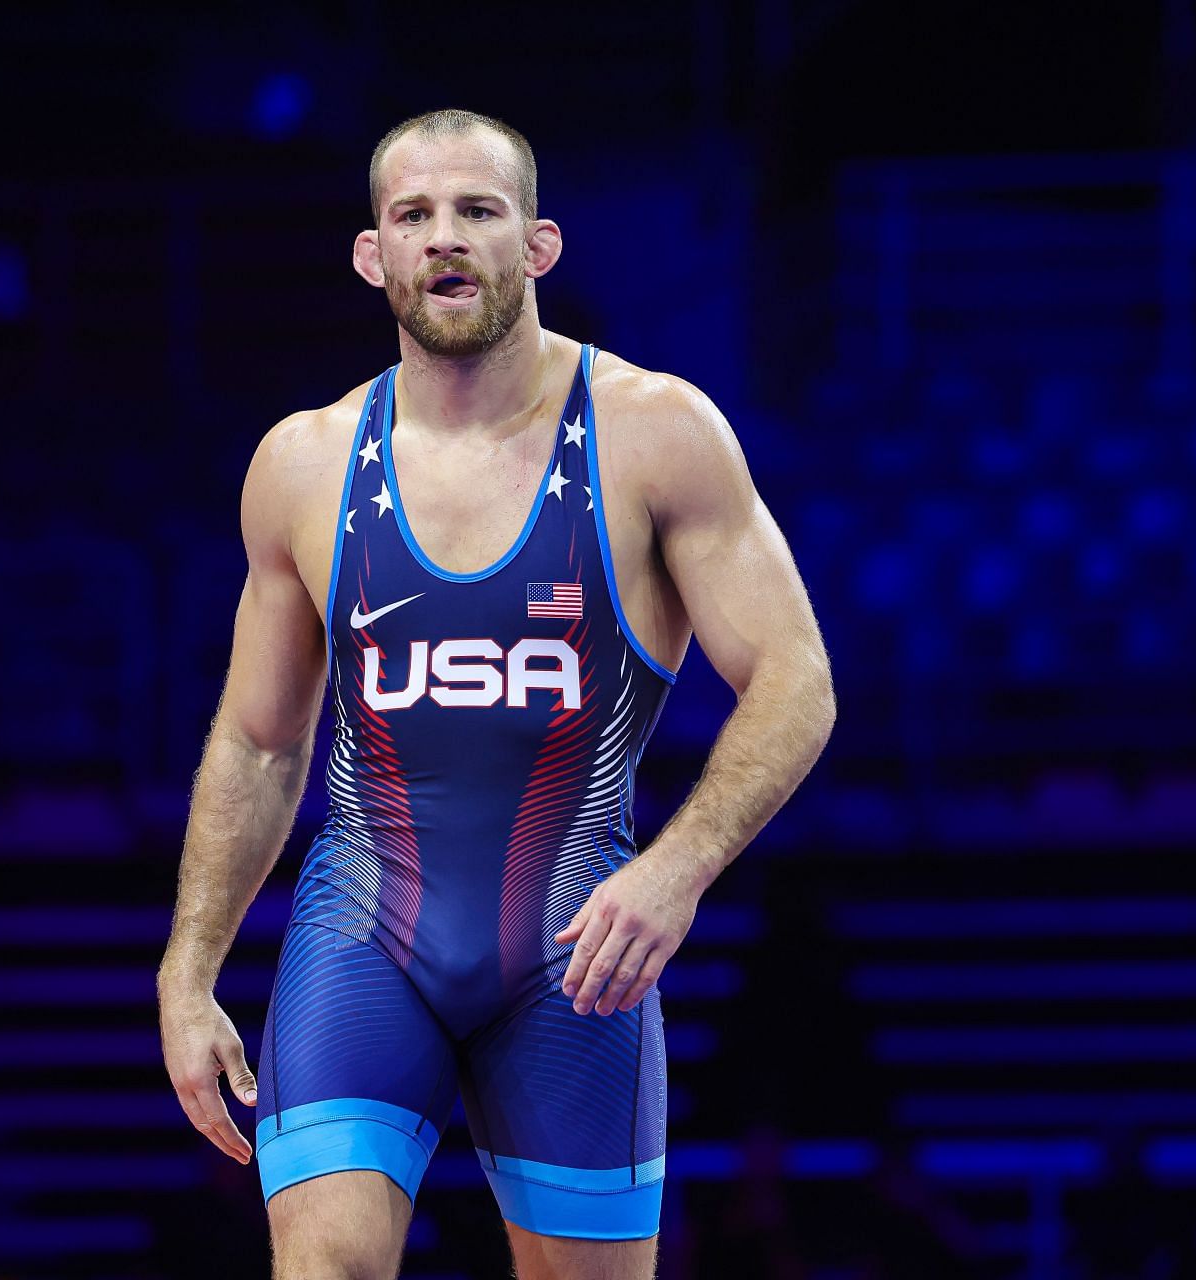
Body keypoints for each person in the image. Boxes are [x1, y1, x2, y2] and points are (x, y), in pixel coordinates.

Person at [157, 107, 835, 1280]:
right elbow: (262, 745)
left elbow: (797, 680)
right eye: (413, 214)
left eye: (478, 209)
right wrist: (188, 965)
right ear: (374, 254)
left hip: (575, 952)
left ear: (540, 243)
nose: (445, 237)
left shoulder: (654, 435)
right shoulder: (307, 464)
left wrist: (674, 871)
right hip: (365, 932)